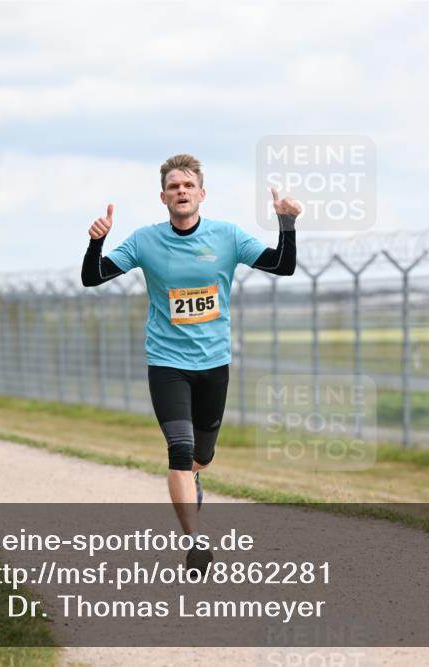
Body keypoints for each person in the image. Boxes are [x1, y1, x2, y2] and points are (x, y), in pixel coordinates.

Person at [80, 154, 299, 573]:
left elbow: (282, 265)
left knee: (202, 455)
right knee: (179, 451)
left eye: (188, 185)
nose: (181, 191)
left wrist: (287, 223)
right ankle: (196, 542)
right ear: (163, 197)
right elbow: (93, 277)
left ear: (201, 193)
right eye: (173, 186)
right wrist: (96, 242)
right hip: (166, 363)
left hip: (214, 363)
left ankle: (195, 475)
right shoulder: (145, 241)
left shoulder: (228, 237)